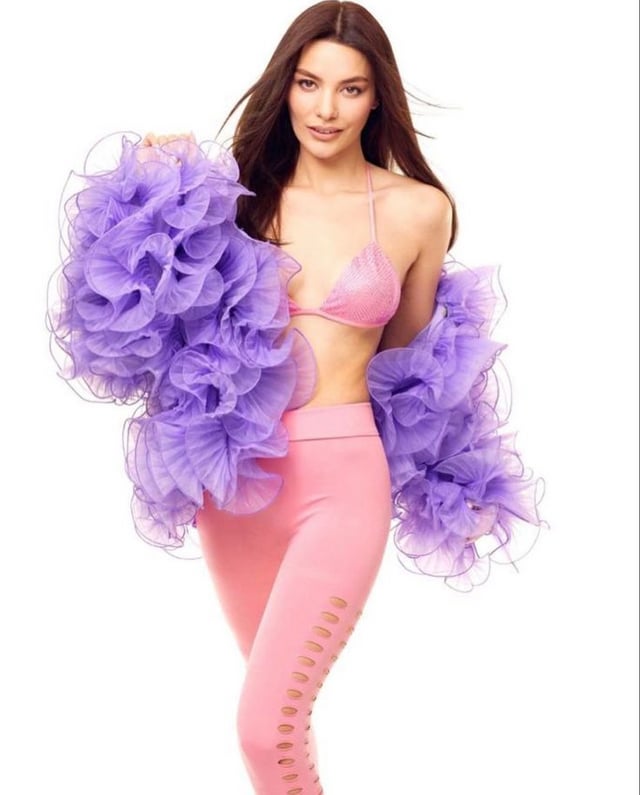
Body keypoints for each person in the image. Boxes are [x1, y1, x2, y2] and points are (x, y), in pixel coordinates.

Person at [48, 2, 545, 792]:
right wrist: (155, 190)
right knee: (283, 723)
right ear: (285, 88)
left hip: (343, 484)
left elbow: (411, 367)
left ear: (377, 98)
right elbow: (149, 318)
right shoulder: (237, 200)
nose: (326, 108)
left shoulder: (418, 210)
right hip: (237, 478)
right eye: (309, 83)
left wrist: (454, 475)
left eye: (350, 89)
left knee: (261, 728)